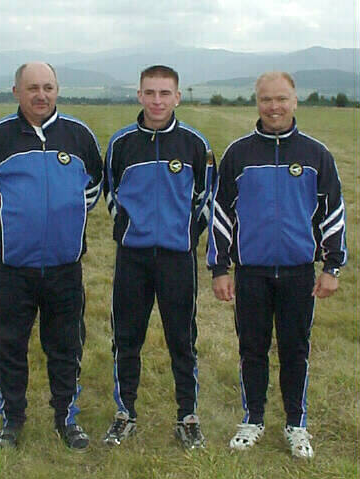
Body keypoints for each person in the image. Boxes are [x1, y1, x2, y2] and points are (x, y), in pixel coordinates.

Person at [0, 62, 103, 451]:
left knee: (66, 346)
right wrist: (7, 224)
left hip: (64, 269)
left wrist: (67, 219)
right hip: (12, 270)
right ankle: (12, 420)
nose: (41, 95)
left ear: (58, 90)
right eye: (33, 87)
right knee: (8, 346)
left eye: (48, 87)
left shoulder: (79, 136)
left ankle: (66, 418)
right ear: (16, 91)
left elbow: (93, 188)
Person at [207, 71, 347, 458]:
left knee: (295, 350)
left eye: (282, 99)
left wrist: (332, 266)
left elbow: (333, 213)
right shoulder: (238, 154)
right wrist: (220, 268)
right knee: (252, 349)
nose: (274, 107)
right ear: (257, 102)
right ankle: (252, 419)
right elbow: (220, 214)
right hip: (251, 273)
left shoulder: (316, 155)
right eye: (266, 99)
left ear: (295, 101)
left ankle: (296, 424)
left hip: (299, 273)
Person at [103, 65, 216, 449]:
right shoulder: (121, 143)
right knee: (126, 338)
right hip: (132, 259)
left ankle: (188, 417)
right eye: (149, 93)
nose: (156, 101)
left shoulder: (195, 145)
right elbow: (111, 193)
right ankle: (125, 414)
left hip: (176, 260)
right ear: (139, 95)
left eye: (164, 93)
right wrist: (130, 229)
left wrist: (183, 234)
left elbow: (206, 198)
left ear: (177, 97)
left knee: (182, 339)